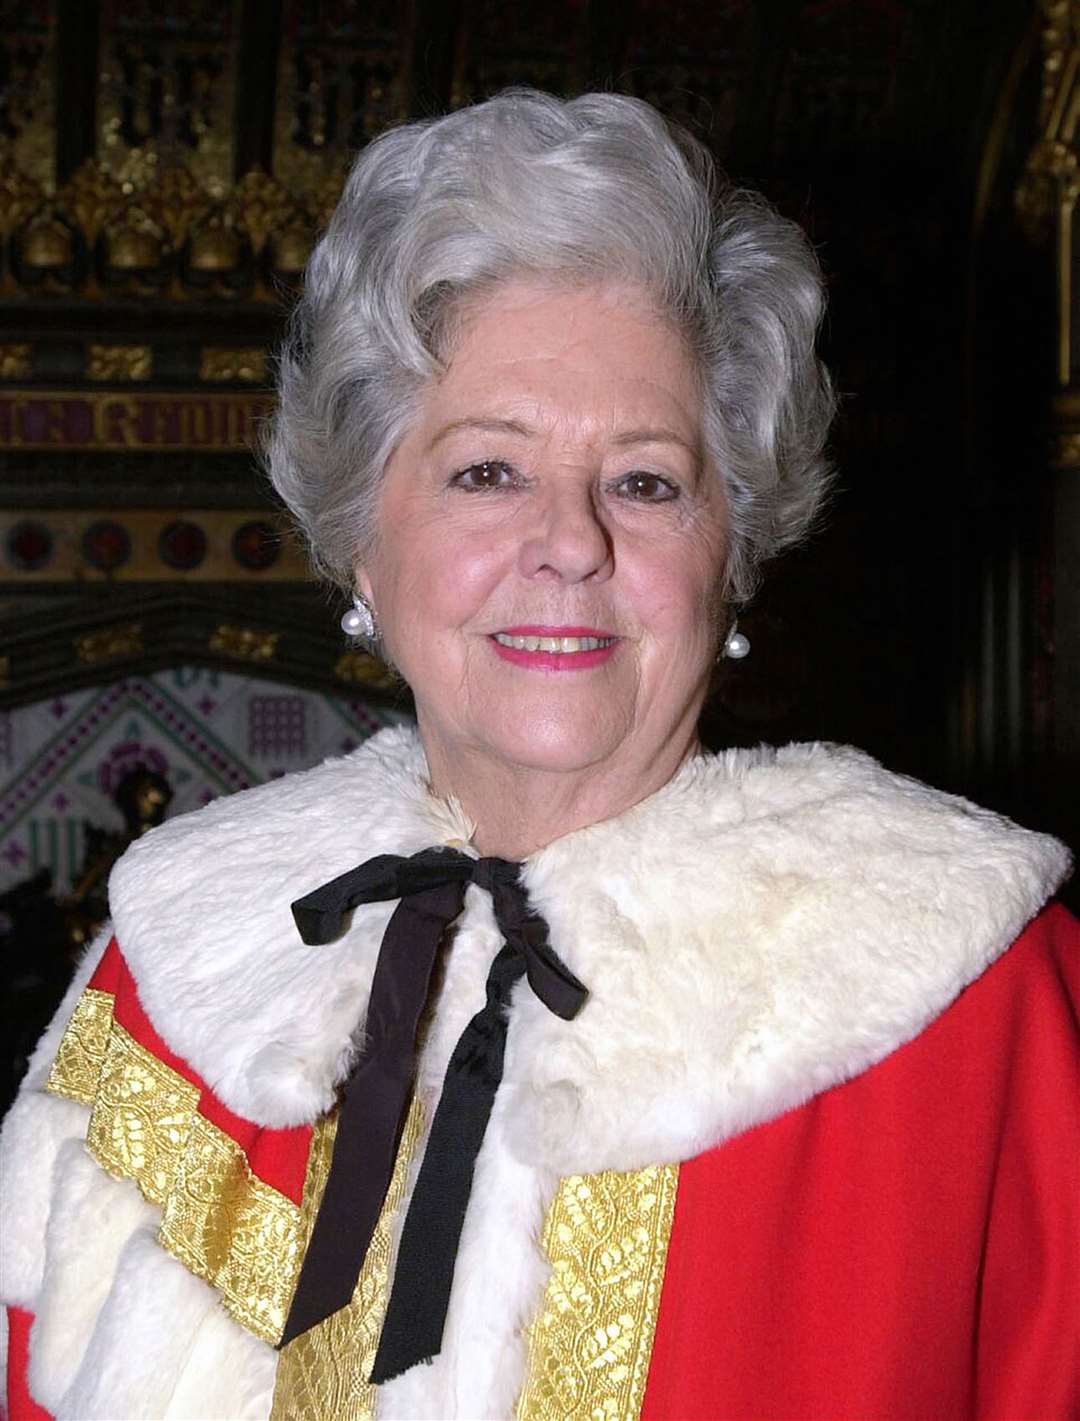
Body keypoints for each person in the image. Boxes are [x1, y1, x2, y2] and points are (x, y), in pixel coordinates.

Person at [1, 89, 1077, 1421]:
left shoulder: (979, 1003)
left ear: (730, 557)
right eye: (486, 472)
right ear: (362, 545)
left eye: (645, 479)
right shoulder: (169, 987)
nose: (570, 542)